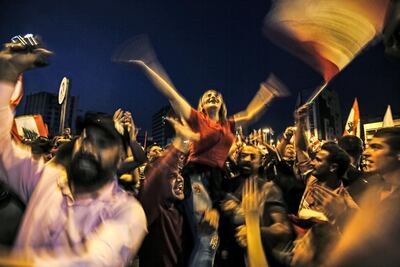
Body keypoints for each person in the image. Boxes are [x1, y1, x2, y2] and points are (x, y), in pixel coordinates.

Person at [0, 39, 147, 266]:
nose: (89, 147)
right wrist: (6, 75)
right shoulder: (46, 179)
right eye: (86, 138)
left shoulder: (128, 212)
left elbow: (92, 261)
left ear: (120, 158)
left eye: (104, 143)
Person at [132, 59, 285, 266]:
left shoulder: (227, 124)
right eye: (207, 96)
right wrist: (147, 65)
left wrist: (267, 92)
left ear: (221, 104)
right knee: (208, 240)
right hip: (197, 180)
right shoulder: (197, 119)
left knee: (246, 221)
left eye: (216, 96)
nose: (212, 97)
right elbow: (172, 95)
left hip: (217, 183)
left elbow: (249, 114)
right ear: (202, 104)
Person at [328, 127, 400, 267]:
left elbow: (375, 247)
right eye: (368, 147)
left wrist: (343, 214)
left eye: (376, 147)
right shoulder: (373, 187)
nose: (366, 153)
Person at [138, 117, 198, 267]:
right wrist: (179, 142)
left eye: (180, 175)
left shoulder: (181, 209)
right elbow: (159, 173)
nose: (180, 180)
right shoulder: (152, 207)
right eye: (172, 176)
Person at [221, 145, 293, 267]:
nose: (247, 159)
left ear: (260, 162)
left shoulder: (269, 190)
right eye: (243, 155)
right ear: (237, 159)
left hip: (259, 258)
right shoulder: (228, 186)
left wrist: (254, 231)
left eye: (253, 156)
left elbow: (283, 229)